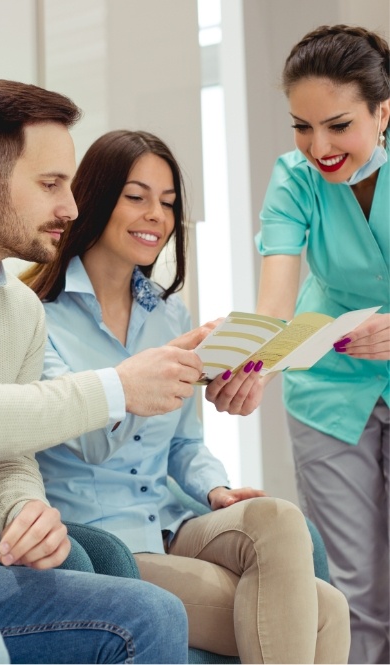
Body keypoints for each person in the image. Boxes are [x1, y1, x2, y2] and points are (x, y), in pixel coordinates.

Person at [22, 129, 351, 664]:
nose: (156, 214)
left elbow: (184, 445)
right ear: (96, 198)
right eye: (137, 196)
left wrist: (215, 489)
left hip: (172, 520)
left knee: (280, 519)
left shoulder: (169, 314)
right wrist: (147, 374)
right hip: (102, 542)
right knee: (326, 612)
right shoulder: (37, 315)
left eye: (169, 202)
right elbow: (87, 443)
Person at [0, 78, 198, 664]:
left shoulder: (19, 309)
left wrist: (22, 510)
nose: (72, 207)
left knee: (152, 612)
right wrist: (119, 388)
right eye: (52, 184)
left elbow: (3, 457)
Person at [206, 24, 390, 665]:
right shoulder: (294, 179)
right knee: (356, 589)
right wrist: (253, 368)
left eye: (338, 125)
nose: (320, 147)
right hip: (331, 388)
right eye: (302, 127)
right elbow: (276, 305)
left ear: (382, 110)